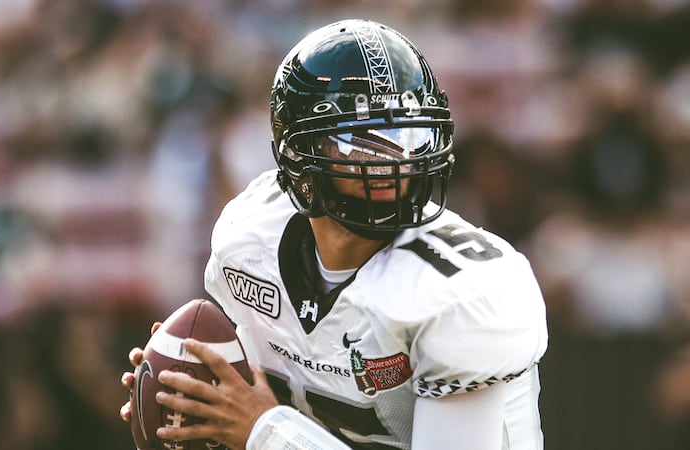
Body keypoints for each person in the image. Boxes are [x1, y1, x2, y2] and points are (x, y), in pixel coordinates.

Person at [120, 19, 548, 450]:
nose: (392, 160)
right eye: (360, 139)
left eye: (406, 133)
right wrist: (193, 389)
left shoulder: (464, 292)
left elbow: (259, 424)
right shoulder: (249, 240)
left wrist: (263, 432)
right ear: (299, 154)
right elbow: (247, 401)